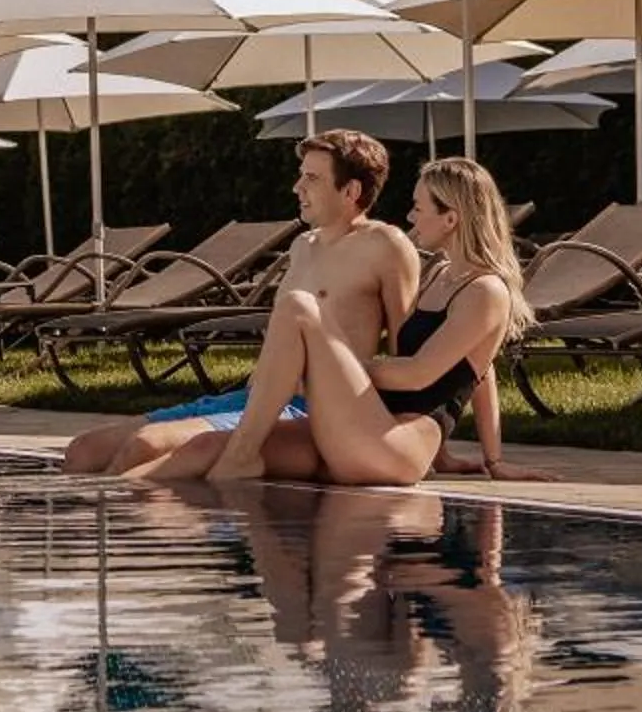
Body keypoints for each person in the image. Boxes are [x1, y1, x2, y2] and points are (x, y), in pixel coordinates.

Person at [145, 155, 548, 487]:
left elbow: (418, 376)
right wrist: (491, 459)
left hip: (392, 448)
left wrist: (323, 373)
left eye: (419, 208)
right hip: (359, 431)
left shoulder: (486, 291)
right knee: (202, 449)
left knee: (300, 307)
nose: (410, 217)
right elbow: (481, 370)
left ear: (451, 219)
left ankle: (240, 458)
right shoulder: (441, 276)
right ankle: (104, 503)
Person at [63, 130, 415, 478]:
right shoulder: (302, 246)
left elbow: (407, 348)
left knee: (146, 445)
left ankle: (115, 522)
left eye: (311, 178)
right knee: (83, 450)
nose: (297, 188)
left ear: (351, 190)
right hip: (248, 399)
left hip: (309, 409)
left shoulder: (385, 245)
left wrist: (416, 440)